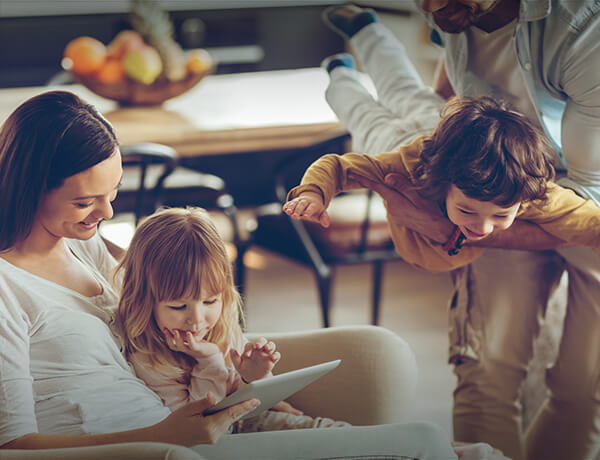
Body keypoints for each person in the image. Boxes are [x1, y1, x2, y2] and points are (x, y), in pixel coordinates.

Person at [0, 89, 480, 459]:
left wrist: (244, 383)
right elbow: (12, 445)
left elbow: (164, 320)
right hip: (150, 450)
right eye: (85, 202)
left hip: (187, 434)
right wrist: (162, 437)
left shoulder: (82, 247)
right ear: (28, 187)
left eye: (113, 192)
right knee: (426, 443)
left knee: (445, 446)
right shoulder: (8, 289)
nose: (105, 212)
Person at [321, 3, 600, 459]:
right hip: (484, 182)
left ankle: (346, 64)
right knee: (488, 373)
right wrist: (443, 145)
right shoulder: (449, 11)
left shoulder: (585, 30)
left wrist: (458, 230)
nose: (429, 7)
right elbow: (455, 84)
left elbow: (587, 200)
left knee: (584, 389)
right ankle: (356, 47)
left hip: (572, 198)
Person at [284, 96, 600, 271]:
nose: (484, 228)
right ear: (444, 180)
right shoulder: (404, 168)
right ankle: (341, 71)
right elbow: (338, 165)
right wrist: (314, 192)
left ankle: (365, 32)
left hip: (433, 130)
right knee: (363, 111)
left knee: (411, 95)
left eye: (501, 216)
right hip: (392, 145)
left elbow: (585, 221)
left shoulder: (528, 191)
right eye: (468, 210)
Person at [114, 206, 349, 431]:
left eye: (210, 302)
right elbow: (200, 426)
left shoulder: (222, 328)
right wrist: (209, 361)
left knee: (335, 431)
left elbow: (244, 399)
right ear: (144, 299)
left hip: (251, 421)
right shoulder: (149, 359)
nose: (196, 320)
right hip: (224, 438)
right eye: (178, 306)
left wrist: (254, 377)